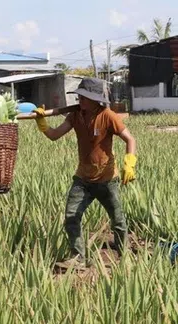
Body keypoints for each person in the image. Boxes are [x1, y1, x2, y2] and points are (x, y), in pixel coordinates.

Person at [32, 77, 137, 268]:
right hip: (82, 178)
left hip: (106, 179)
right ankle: (78, 257)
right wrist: (42, 123)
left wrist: (129, 163)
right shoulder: (74, 116)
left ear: (96, 100)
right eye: (79, 97)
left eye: (84, 98)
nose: (80, 101)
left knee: (118, 220)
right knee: (71, 216)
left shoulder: (108, 115)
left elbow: (130, 139)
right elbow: (55, 136)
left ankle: (123, 253)